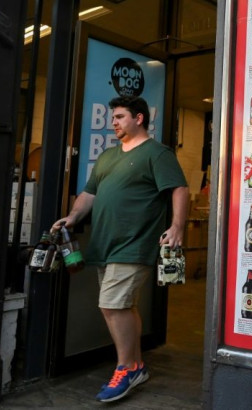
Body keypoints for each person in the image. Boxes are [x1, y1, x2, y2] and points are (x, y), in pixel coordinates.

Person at [53, 96, 189, 403]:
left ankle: (126, 368)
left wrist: (178, 225)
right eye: (113, 117)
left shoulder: (157, 153)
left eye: (119, 117)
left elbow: (179, 188)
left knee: (111, 305)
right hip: (106, 243)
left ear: (138, 118)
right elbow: (89, 194)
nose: (113, 122)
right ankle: (137, 364)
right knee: (123, 306)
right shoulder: (107, 157)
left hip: (135, 242)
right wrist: (73, 217)